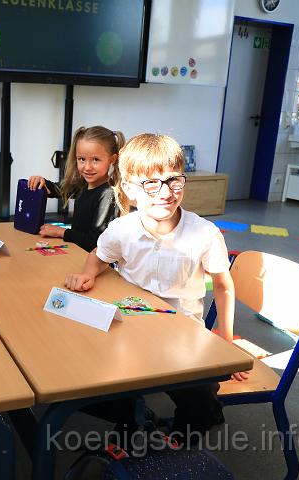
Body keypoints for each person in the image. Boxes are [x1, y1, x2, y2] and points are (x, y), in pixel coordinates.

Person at [64, 133, 248, 439]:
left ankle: (181, 437)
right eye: (150, 183)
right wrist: (88, 273)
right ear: (128, 188)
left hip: (183, 338)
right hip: (130, 328)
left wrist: (226, 342)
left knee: (201, 403)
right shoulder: (122, 229)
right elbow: (99, 254)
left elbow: (223, 286)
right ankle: (134, 416)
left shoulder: (204, 233)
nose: (165, 193)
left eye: (174, 181)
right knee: (82, 382)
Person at [27, 126, 124, 252]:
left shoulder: (108, 195)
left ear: (112, 160)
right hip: (76, 252)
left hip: (90, 260)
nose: (87, 167)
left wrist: (62, 232)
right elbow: (57, 189)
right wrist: (42, 182)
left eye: (96, 160)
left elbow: (95, 243)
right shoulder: (83, 184)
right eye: (82, 159)